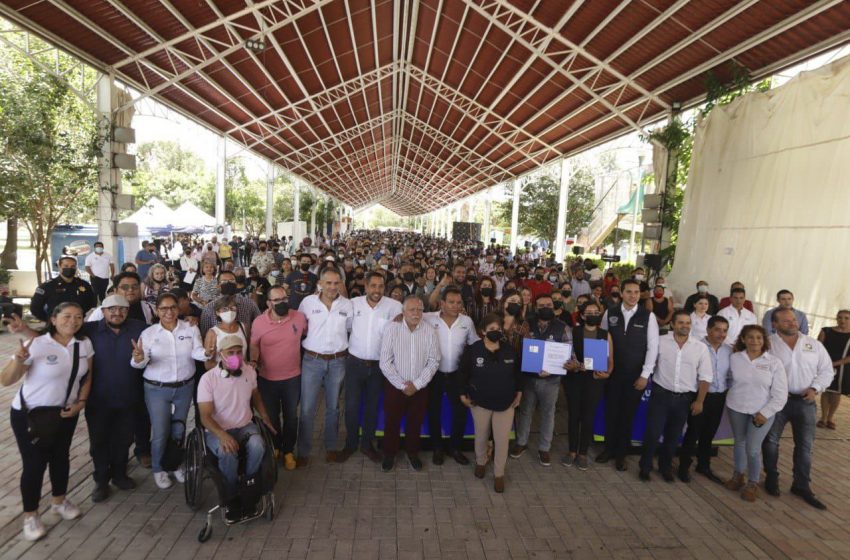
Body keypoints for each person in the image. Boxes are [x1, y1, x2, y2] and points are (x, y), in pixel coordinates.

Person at [1, 302, 93, 541]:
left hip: (65, 413)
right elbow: (6, 380)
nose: (72, 321)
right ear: (53, 319)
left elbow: (87, 375)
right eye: (66, 316)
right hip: (31, 415)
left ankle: (59, 502)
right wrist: (18, 360)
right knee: (34, 465)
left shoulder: (83, 343)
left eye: (78, 316)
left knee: (61, 457)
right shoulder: (36, 344)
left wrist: (81, 402)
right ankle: (30, 516)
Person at [131, 292, 210, 489]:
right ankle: (159, 468)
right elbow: (139, 364)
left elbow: (196, 351)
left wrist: (207, 352)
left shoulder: (190, 328)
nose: (168, 312)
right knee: (160, 431)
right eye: (163, 308)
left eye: (172, 307)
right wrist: (139, 358)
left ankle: (175, 464)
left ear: (178, 309)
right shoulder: (149, 334)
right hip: (157, 389)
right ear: (157, 311)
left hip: (184, 387)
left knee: (179, 429)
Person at [197, 335, 275, 522]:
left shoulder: (248, 371)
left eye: (239, 352)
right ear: (220, 355)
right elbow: (205, 416)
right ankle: (230, 496)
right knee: (227, 451)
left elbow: (255, 395)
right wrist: (222, 435)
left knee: (258, 444)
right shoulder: (208, 379)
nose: (236, 356)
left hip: (244, 425)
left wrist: (265, 416)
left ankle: (249, 489)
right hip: (217, 430)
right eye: (231, 352)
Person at [762, 307, 834, 509]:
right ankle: (771, 478)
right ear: (775, 324)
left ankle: (801, 485)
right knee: (770, 441)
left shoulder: (813, 344)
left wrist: (815, 388)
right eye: (786, 321)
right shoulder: (767, 344)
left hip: (806, 402)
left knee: (805, 446)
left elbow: (827, 371)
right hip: (777, 402)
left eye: (793, 320)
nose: (792, 323)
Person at [638, 311, 713, 482]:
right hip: (661, 395)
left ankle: (665, 467)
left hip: (684, 399)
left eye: (688, 323)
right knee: (653, 433)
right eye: (681, 322)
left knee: (673, 436)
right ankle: (645, 466)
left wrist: (700, 401)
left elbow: (705, 377)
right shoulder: (660, 342)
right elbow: (649, 362)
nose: (685, 326)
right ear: (672, 324)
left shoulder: (699, 347)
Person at [597, 279, 659, 471]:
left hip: (635, 376)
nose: (633, 295)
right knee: (611, 412)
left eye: (636, 292)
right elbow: (602, 340)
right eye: (629, 292)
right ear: (621, 293)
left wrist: (645, 375)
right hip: (613, 374)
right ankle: (609, 449)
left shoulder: (648, 316)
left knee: (627, 415)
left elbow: (653, 348)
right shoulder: (611, 312)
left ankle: (621, 454)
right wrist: (602, 367)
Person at [341, 272, 402, 463]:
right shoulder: (354, 304)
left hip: (379, 367)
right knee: (350, 406)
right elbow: (347, 327)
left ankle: (367, 444)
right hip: (354, 363)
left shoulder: (394, 307)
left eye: (381, 286)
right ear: (366, 286)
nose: (377, 290)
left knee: (372, 406)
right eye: (373, 286)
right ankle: (350, 443)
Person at [459, 313, 522, 492]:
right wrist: (463, 394)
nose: (496, 332)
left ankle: (499, 473)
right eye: (492, 329)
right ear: (483, 331)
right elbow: (463, 374)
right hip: (480, 402)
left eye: (498, 329)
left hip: (505, 403)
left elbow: (517, 375)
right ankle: (480, 462)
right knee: (481, 435)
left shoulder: (509, 349)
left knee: (502, 441)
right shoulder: (473, 350)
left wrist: (519, 392)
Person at [724, 325, 787, 502]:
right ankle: (738, 475)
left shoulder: (774, 363)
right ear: (743, 339)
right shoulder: (735, 358)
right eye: (750, 337)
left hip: (761, 412)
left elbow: (780, 394)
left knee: (752, 449)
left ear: (764, 340)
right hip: (736, 407)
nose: (755, 341)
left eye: (759, 338)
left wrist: (765, 413)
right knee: (739, 443)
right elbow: (729, 380)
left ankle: (752, 482)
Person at [297, 268, 352, 465]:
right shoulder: (307, 303)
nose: (332, 287)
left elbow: (349, 329)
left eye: (336, 283)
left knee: (333, 408)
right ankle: (303, 451)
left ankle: (331, 447)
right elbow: (300, 328)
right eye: (328, 283)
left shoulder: (347, 305)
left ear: (341, 284)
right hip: (312, 361)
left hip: (338, 362)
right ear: (320, 283)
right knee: (307, 408)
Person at [379, 295, 440, 472]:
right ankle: (389, 454)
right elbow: (385, 361)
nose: (416, 313)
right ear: (403, 312)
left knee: (415, 422)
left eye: (420, 309)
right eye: (412, 309)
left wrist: (417, 384)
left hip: (419, 387)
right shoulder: (392, 328)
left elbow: (434, 360)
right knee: (392, 422)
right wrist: (402, 385)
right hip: (395, 385)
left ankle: (412, 453)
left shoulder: (429, 330)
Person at [249, 285, 306, 471]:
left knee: (291, 417)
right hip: (267, 379)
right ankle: (275, 446)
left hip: (293, 378)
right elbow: (254, 345)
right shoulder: (259, 322)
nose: (282, 303)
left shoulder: (298, 317)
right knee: (271, 417)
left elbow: (309, 334)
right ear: (268, 303)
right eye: (277, 300)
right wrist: (254, 361)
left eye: (284, 299)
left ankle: (288, 450)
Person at [510, 293, 570, 467]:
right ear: (536, 308)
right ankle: (521, 443)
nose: (546, 308)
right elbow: (519, 348)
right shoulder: (527, 325)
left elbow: (568, 355)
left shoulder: (563, 327)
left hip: (551, 381)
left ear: (554, 307)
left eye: (549, 305)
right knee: (525, 411)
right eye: (541, 305)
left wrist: (555, 368)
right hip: (528, 378)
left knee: (548, 413)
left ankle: (544, 448)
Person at [422, 287, 479, 465]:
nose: (456, 306)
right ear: (442, 303)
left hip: (457, 374)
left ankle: (455, 448)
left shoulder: (467, 321)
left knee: (460, 411)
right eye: (451, 302)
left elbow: (474, 344)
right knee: (433, 411)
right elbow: (410, 316)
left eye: (459, 302)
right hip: (434, 373)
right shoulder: (428, 318)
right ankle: (437, 448)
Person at [678, 316, 732, 483]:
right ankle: (683, 467)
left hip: (719, 396)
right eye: (717, 329)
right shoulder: (696, 347)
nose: (721, 334)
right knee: (693, 432)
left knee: (709, 433)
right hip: (700, 396)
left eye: (724, 330)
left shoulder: (729, 350)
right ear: (708, 330)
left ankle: (703, 465)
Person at [561, 301, 612, 471]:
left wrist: (608, 372)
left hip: (595, 380)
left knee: (588, 416)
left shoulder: (605, 334)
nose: (592, 315)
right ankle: (571, 451)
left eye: (595, 312)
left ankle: (583, 452)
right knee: (574, 415)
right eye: (588, 312)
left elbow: (610, 361)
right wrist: (573, 365)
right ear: (582, 315)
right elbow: (565, 356)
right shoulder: (573, 332)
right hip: (574, 379)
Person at [30, 255, 97, 322]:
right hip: (56, 327)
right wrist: (50, 320)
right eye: (66, 266)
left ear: (76, 268)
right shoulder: (47, 286)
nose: (69, 268)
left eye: (72, 266)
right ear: (59, 267)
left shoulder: (85, 285)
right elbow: (35, 308)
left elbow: (92, 303)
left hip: (79, 324)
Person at [198, 270, 262, 338]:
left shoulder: (249, 303)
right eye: (224, 281)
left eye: (232, 280)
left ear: (236, 284)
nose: (228, 283)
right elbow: (205, 334)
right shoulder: (209, 308)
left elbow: (260, 324)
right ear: (218, 285)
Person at [818, 309, 850, 429]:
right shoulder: (826, 331)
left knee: (837, 392)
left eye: (846, 318)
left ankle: (830, 417)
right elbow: (818, 348)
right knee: (826, 390)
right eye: (840, 317)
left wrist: (835, 363)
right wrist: (823, 363)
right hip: (826, 365)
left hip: (843, 367)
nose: (843, 320)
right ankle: (823, 417)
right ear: (836, 318)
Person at [203, 296, 248, 370]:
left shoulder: (243, 327)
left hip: (243, 374)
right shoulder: (213, 333)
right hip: (223, 375)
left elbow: (245, 355)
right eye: (225, 309)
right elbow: (208, 364)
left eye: (233, 308)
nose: (229, 311)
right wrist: (229, 367)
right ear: (217, 312)